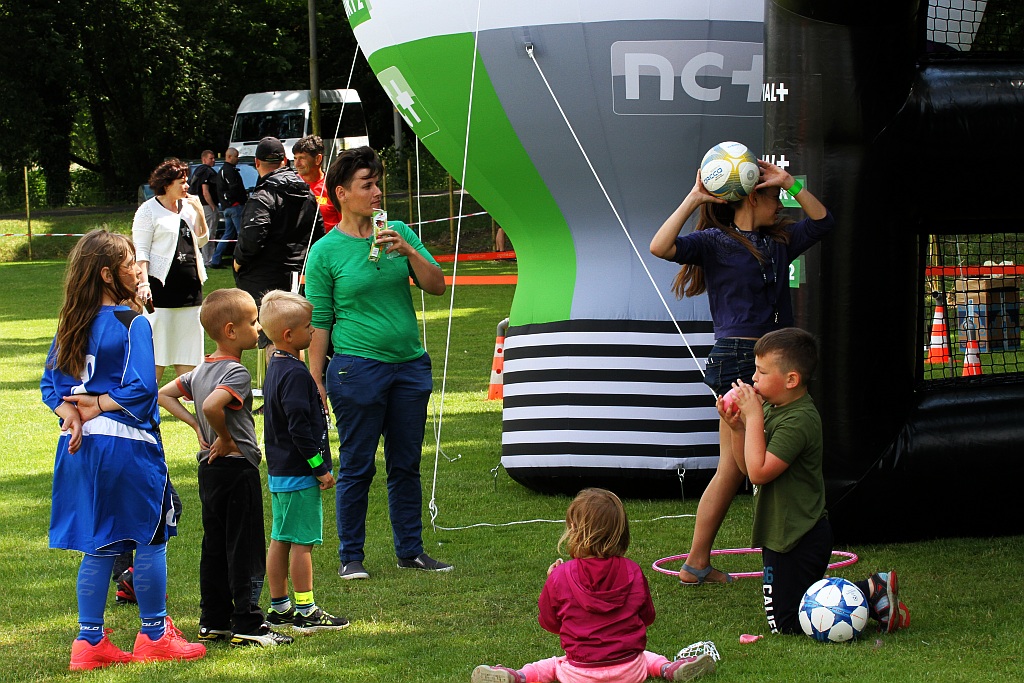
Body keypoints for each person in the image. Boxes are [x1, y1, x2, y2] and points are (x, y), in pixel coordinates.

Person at [649, 157, 834, 586]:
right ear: (753, 195)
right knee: (738, 468)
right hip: (737, 362)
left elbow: (824, 221)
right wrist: (695, 196)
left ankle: (698, 563)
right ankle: (702, 562)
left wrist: (788, 182)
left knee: (732, 468)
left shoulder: (779, 240)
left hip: (773, 360)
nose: (780, 205)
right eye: (774, 197)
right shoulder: (715, 241)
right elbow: (660, 247)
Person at [41, 230, 206, 670]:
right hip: (126, 447)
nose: (138, 269)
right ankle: (155, 633)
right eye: (131, 262)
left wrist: (72, 414)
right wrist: (97, 404)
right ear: (107, 274)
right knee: (150, 537)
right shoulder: (130, 322)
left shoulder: (70, 323)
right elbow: (141, 388)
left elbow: (50, 387)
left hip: (78, 449)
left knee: (100, 543)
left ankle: (89, 642)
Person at [305, 146, 451, 580]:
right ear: (341, 193)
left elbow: (437, 285)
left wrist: (407, 250)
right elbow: (320, 321)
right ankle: (352, 556)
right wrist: (316, 377)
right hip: (356, 370)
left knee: (406, 463)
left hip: (409, 367)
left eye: (377, 182)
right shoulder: (325, 252)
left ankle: (411, 550)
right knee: (357, 463)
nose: (376, 191)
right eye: (366, 184)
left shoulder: (397, 231)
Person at [721, 328, 910, 634]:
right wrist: (737, 429)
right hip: (780, 532)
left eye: (761, 371)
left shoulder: (799, 420)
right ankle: (874, 591)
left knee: (785, 624)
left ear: (791, 380)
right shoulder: (772, 407)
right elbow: (747, 468)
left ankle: (870, 589)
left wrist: (753, 418)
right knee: (792, 614)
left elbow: (759, 472)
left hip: (799, 535)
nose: (753, 378)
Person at [157, 288, 294, 648]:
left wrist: (195, 428)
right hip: (237, 469)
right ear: (231, 331)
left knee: (215, 544)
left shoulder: (202, 369)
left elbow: (164, 394)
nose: (259, 327)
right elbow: (214, 407)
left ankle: (213, 621)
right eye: (253, 322)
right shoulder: (235, 372)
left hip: (210, 472)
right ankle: (248, 623)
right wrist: (223, 435)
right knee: (244, 547)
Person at [471, 488, 716, 683]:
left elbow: (550, 623)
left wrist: (552, 582)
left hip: (579, 673)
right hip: (630, 669)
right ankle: (667, 668)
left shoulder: (561, 576)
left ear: (576, 532)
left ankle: (520, 676)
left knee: (551, 665)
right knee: (648, 659)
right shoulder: (632, 570)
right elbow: (647, 617)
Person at [259, 290, 349, 634]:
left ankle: (280, 607)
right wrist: (320, 469)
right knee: (302, 542)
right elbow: (299, 428)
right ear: (288, 335)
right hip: (299, 473)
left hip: (280, 472)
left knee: (280, 537)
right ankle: (306, 609)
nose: (313, 333)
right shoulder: (296, 374)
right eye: (308, 327)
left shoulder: (275, 367)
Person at [234, 136, 324, 358]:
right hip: (299, 274)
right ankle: (293, 386)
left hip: (266, 279)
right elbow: (318, 233)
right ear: (285, 160)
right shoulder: (307, 193)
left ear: (257, 163)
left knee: (272, 336)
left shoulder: (262, 196)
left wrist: (238, 260)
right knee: (292, 334)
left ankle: (280, 389)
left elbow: (253, 237)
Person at [132, 157, 209, 383]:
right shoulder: (148, 211)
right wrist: (143, 283)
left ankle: (190, 399)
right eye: (181, 182)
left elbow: (202, 240)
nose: (186, 187)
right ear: (167, 185)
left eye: (187, 181)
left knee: (189, 346)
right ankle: (146, 399)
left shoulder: (189, 207)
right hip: (161, 290)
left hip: (191, 289)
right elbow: (141, 251)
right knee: (157, 345)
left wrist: (199, 211)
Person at [209, 147, 249, 268]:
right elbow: (234, 188)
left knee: (228, 234)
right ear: (229, 157)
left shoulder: (222, 171)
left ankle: (215, 260)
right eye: (236, 156)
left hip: (227, 207)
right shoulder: (229, 171)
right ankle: (243, 259)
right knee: (241, 233)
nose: (238, 159)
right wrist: (239, 200)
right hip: (234, 207)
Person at [293, 135, 341, 232]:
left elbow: (346, 224)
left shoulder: (334, 187)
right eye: (295, 158)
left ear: (318, 159)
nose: (297, 164)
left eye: (302, 158)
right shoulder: (292, 185)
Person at [189, 149, 221, 261]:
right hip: (206, 206)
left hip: (197, 206)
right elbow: (205, 191)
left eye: (214, 158)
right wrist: (212, 206)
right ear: (204, 159)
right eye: (211, 158)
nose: (214, 160)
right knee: (209, 233)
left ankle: (205, 257)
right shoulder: (207, 172)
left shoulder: (197, 171)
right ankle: (209, 259)